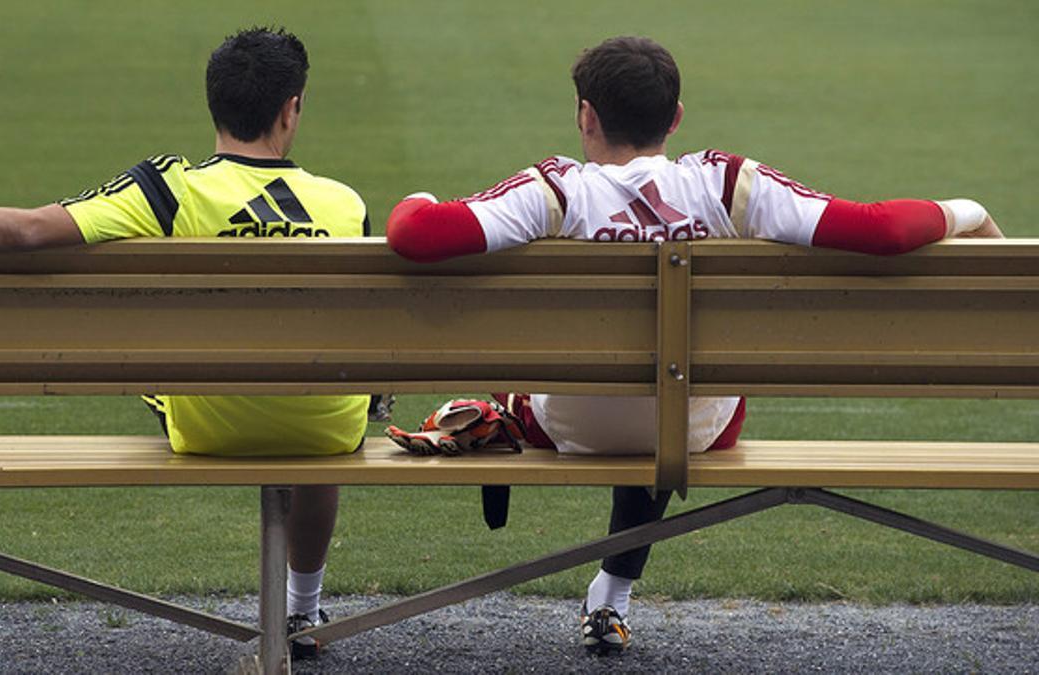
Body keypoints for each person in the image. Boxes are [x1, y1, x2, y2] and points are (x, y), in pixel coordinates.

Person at [384, 36, 1003, 656]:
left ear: (585, 115)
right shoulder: (727, 183)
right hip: (701, 424)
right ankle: (613, 594)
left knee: (571, 377)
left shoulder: (555, 190)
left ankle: (493, 427)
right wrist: (967, 210)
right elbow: (884, 229)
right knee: (669, 381)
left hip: (569, 423)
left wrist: (419, 198)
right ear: (675, 117)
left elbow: (415, 232)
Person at [0, 26, 369, 659]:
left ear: (214, 104)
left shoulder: (167, 189)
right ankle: (302, 610)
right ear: (291, 108)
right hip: (327, 433)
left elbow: (29, 232)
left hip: (211, 430)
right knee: (317, 385)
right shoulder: (344, 203)